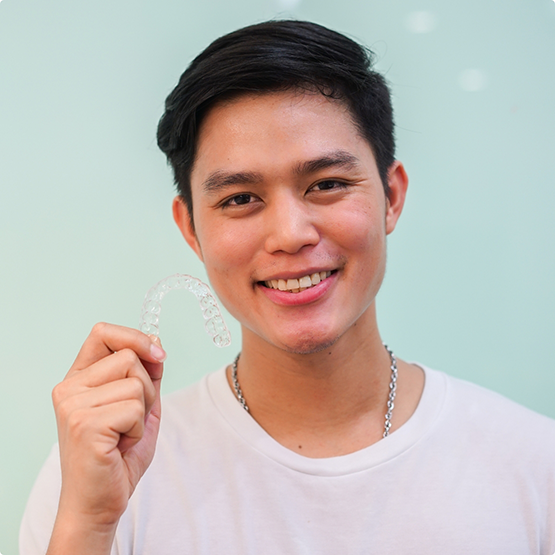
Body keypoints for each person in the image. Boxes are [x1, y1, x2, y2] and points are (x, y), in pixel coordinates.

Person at [20, 20, 555, 555]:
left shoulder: (533, 464)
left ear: (391, 196)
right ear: (191, 229)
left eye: (326, 185)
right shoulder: (107, 473)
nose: (290, 234)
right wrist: (88, 526)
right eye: (240, 198)